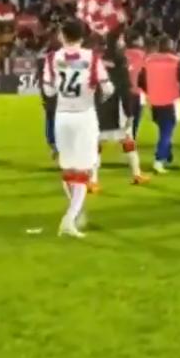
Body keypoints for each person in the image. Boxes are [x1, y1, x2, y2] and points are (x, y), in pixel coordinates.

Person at [41, 20, 112, 239]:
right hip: (84, 115)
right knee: (84, 170)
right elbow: (108, 88)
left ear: (62, 35)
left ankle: (74, 213)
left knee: (69, 168)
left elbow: (49, 91)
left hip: (63, 116)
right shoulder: (92, 58)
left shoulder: (52, 59)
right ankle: (69, 218)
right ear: (82, 37)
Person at [92, 32, 148, 189]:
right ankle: (137, 174)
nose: (124, 42)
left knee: (97, 143)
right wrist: (129, 113)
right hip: (117, 108)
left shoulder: (95, 60)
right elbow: (124, 89)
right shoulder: (120, 61)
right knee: (128, 141)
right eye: (121, 40)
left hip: (99, 106)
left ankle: (93, 181)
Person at [141, 37, 180, 174]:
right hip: (170, 100)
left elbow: (141, 80)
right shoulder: (176, 60)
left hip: (154, 100)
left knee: (163, 129)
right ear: (171, 46)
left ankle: (168, 154)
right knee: (167, 132)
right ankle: (159, 160)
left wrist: (150, 91)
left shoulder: (149, 60)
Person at [123, 34, 149, 140]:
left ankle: (127, 136)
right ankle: (133, 136)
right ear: (136, 41)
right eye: (140, 39)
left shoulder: (122, 54)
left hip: (125, 90)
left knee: (127, 116)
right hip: (139, 91)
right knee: (137, 116)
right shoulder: (143, 55)